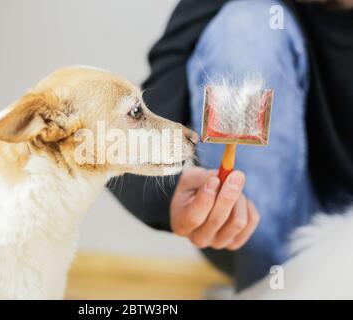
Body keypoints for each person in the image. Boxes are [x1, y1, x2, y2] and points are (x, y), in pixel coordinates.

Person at [109, 0, 353, 290]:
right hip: (252, 231)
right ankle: (265, 288)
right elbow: (139, 121)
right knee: (248, 25)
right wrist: (175, 194)